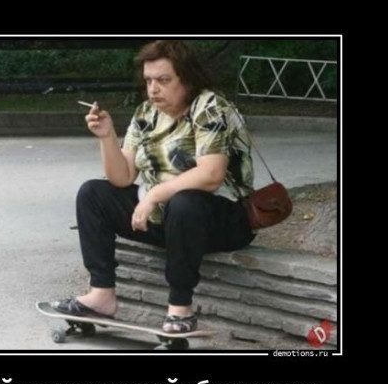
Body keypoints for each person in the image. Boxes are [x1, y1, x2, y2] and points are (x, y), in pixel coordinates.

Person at [52, 40, 256, 333]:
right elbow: (122, 177)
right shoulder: (146, 113)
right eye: (148, 81)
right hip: (165, 218)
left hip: (222, 220)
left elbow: (211, 175)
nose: (153, 89)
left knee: (184, 202)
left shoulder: (210, 106)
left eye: (163, 80)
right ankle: (101, 294)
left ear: (187, 79)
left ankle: (180, 309)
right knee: (92, 193)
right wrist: (107, 137)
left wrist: (154, 195)